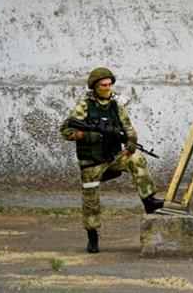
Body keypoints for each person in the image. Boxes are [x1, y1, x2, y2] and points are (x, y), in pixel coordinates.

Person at [60, 67, 163, 253]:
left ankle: (149, 201)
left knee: (136, 158)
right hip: (91, 162)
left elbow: (129, 128)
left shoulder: (116, 106)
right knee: (90, 199)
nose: (107, 88)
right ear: (95, 86)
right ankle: (92, 235)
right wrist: (85, 135)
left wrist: (131, 142)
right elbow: (65, 131)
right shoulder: (84, 106)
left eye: (109, 84)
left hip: (113, 157)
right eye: (103, 85)